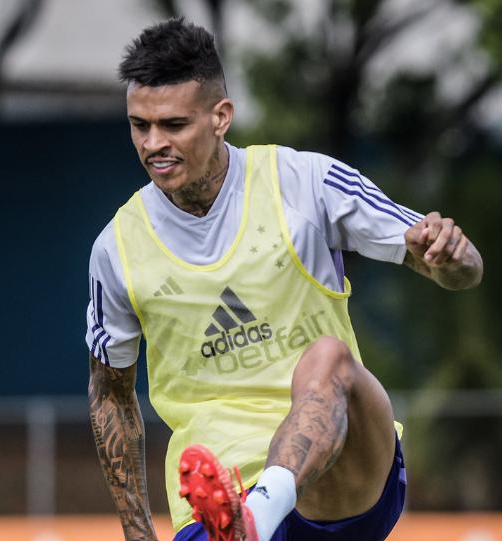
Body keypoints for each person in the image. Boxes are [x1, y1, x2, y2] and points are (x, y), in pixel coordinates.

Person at [85, 17, 482, 541]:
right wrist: (139, 535)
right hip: (215, 490)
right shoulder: (116, 249)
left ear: (221, 116)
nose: (153, 143)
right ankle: (243, 523)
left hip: (344, 473)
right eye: (140, 125)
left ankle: (257, 518)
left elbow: (458, 269)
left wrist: (452, 256)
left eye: (174, 124)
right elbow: (110, 396)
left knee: (328, 357)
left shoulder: (306, 183)